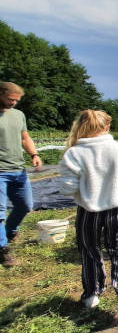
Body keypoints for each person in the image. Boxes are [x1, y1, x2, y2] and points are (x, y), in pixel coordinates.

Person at [58, 110, 118, 317]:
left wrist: (87, 186)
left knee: (90, 251)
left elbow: (68, 188)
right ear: (107, 127)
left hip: (89, 211)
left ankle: (92, 294)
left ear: (81, 127)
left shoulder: (74, 153)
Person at [0, 82, 42, 267]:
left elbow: (25, 137)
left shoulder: (18, 115)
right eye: (11, 99)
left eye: (17, 100)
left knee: (25, 205)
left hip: (18, 169)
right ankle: (3, 250)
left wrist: (34, 154)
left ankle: (9, 232)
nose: (14, 103)